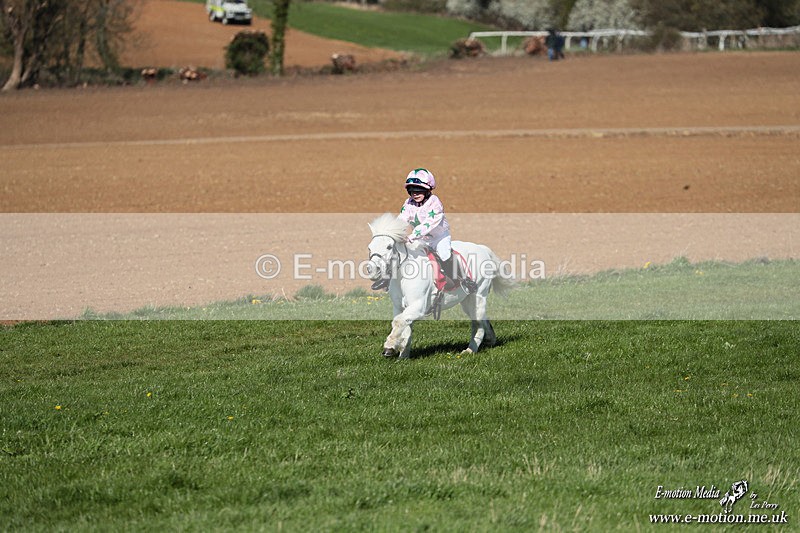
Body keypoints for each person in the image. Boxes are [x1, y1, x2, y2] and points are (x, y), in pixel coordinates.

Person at [373, 168, 476, 293]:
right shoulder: (408, 203)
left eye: (419, 190)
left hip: (439, 238)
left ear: (428, 190)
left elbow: (428, 224)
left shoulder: (435, 203)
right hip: (420, 238)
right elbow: (402, 219)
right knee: (400, 252)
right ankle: (387, 279)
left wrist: (411, 236)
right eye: (411, 190)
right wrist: (393, 232)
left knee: (445, 255)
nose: (415, 194)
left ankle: (464, 280)